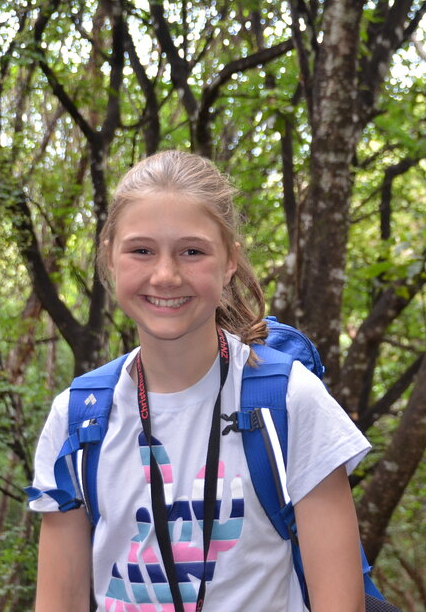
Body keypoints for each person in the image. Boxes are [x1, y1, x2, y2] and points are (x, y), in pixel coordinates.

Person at [29, 150, 370, 612]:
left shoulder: (289, 402)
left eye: (192, 251)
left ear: (229, 261)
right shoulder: (77, 418)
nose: (166, 275)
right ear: (110, 256)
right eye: (141, 250)